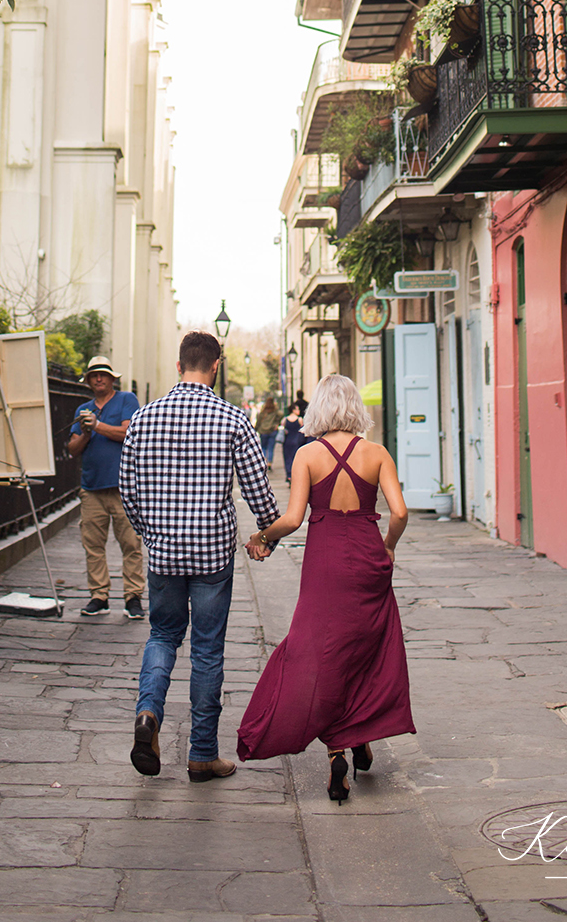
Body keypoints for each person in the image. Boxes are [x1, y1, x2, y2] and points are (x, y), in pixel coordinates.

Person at [237, 372, 413, 806]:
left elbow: (294, 518)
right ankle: (358, 738)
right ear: (355, 407)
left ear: (319, 408)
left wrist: (263, 537)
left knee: (322, 650)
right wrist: (387, 548)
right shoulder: (376, 453)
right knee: (367, 649)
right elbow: (400, 512)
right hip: (368, 555)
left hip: (325, 560)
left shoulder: (307, 455)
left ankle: (338, 748)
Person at [119, 329, 278, 783]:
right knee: (207, 650)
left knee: (163, 636)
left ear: (178, 365)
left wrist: (154, 533)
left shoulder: (144, 419)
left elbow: (127, 491)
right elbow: (258, 494)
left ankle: (148, 712)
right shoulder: (232, 418)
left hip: (164, 554)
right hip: (211, 556)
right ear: (215, 367)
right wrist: (268, 534)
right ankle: (202, 753)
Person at [68, 355, 145, 619]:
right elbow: (72, 449)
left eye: (103, 374)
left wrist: (98, 426)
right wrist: (87, 431)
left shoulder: (126, 400)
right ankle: (98, 596)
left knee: (131, 545)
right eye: (94, 375)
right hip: (92, 488)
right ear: (88, 381)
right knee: (93, 545)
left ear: (112, 378)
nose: (99, 378)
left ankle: (133, 597)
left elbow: (128, 433)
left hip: (124, 488)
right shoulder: (82, 410)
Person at [255, 393, 281, 466]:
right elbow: (281, 414)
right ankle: (269, 462)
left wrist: (256, 429)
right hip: (272, 431)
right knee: (271, 447)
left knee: (263, 447)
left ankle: (264, 460)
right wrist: (276, 423)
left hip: (263, 431)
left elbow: (259, 421)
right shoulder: (275, 410)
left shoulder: (263, 411)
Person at [281, 403, 304, 482]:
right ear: (293, 410)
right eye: (297, 409)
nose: (299, 411)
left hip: (287, 441)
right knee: (295, 458)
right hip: (296, 441)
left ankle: (289, 475)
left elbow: (282, 428)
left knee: (287, 458)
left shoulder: (285, 419)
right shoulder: (299, 419)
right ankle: (294, 475)